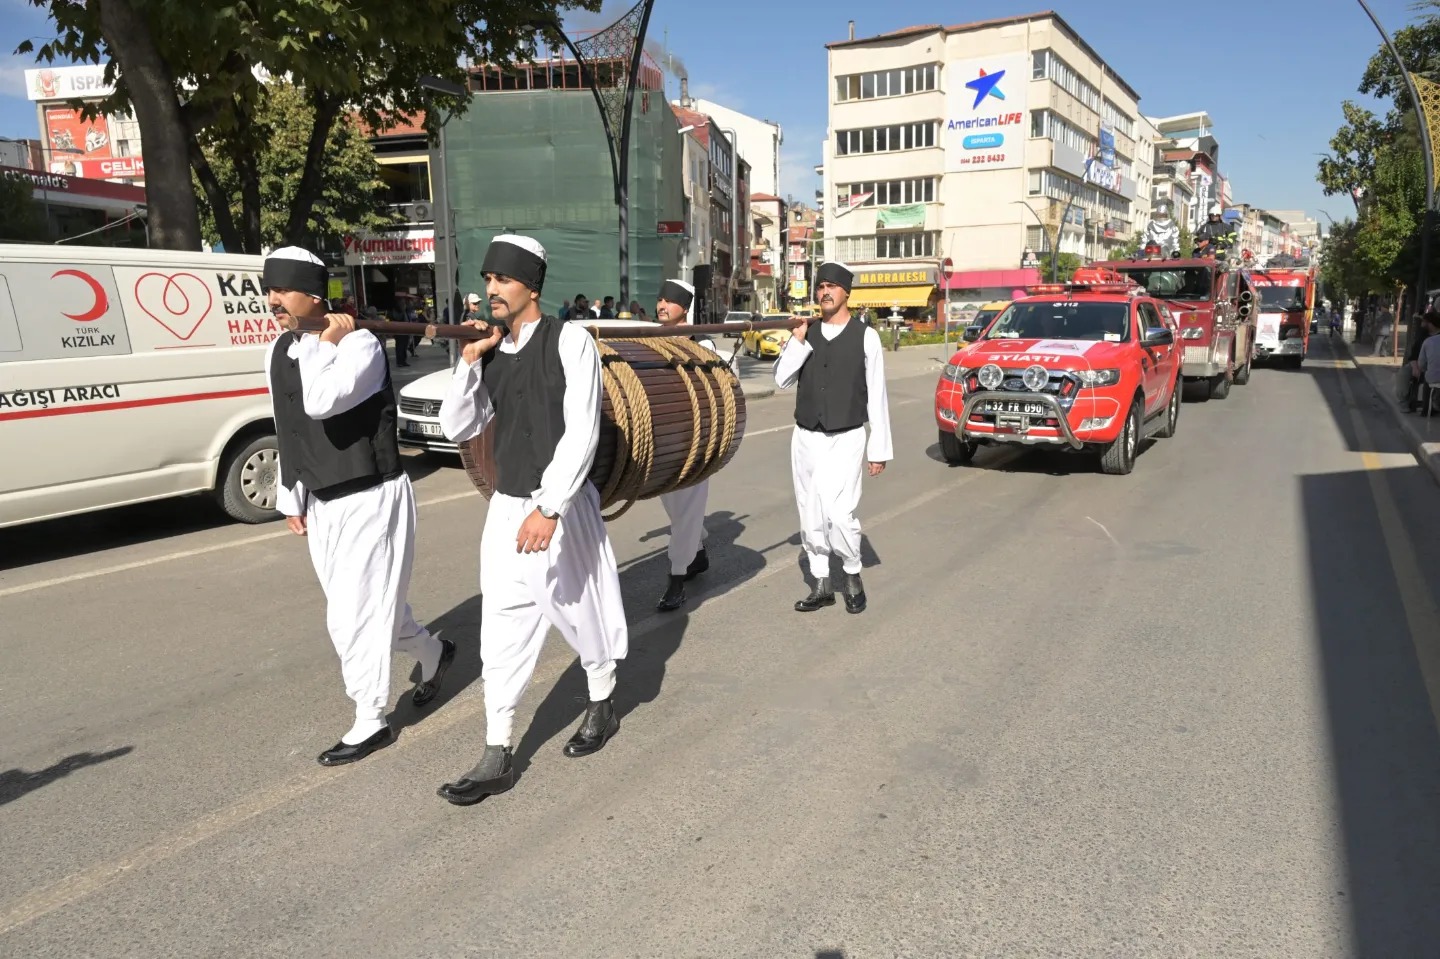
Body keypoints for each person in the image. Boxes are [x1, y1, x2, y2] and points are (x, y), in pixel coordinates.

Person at [435, 234, 629, 805]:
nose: (490, 289)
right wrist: (469, 363)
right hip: (506, 508)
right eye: (488, 279)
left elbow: (582, 430)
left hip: (560, 507)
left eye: (501, 280)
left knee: (577, 611)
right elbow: (457, 426)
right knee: (501, 624)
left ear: (531, 286)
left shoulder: (570, 342)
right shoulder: (489, 351)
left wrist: (550, 507)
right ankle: (497, 749)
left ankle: (601, 697)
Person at [262, 247, 455, 767]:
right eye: (269, 289)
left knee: (353, 614)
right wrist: (290, 495)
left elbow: (322, 401)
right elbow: (289, 424)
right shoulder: (281, 349)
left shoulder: (360, 345)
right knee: (373, 608)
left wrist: (327, 341)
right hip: (322, 500)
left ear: (315, 293)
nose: (272, 299)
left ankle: (370, 718)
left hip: (371, 497)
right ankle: (434, 653)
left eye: (282, 289)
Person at [773, 261, 892, 614]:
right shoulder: (805, 333)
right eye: (820, 286)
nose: (824, 292)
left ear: (846, 293)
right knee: (810, 511)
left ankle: (853, 573)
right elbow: (781, 380)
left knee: (840, 513)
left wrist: (879, 448)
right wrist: (796, 343)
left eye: (832, 286)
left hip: (848, 436)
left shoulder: (865, 336)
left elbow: (877, 394)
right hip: (807, 436)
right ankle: (822, 582)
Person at [653, 278, 716, 612]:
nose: (662, 305)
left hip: (696, 439)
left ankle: (676, 579)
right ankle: (699, 552)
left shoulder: (703, 343)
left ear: (684, 307)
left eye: (669, 300)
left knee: (687, 506)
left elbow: (720, 386)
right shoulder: (648, 337)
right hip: (661, 438)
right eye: (660, 299)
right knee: (675, 506)